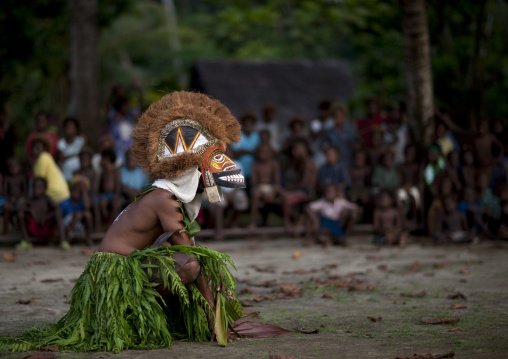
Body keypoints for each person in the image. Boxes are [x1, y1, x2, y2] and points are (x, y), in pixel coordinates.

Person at [2, 91, 247, 352]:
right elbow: (190, 255)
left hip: (123, 267)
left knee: (184, 260)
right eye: (204, 175)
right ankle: (136, 316)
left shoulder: (162, 194)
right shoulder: (165, 200)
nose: (206, 184)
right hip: (113, 276)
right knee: (188, 265)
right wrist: (213, 313)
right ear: (190, 173)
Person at [17, 177, 66, 249]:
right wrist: (29, 210)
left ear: (44, 189)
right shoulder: (30, 199)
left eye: (39, 187)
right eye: (35, 187)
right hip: (34, 228)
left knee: (57, 212)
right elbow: (18, 207)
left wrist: (46, 217)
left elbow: (58, 209)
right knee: (21, 213)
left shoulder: (47, 198)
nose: (36, 190)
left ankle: (63, 241)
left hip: (46, 227)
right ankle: (26, 241)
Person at [282, 139, 317, 233]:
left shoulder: (307, 163)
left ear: (304, 150)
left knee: (285, 198)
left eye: (296, 149)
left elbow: (304, 184)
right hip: (302, 191)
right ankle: (299, 218)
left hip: (307, 192)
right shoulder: (300, 163)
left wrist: (287, 189)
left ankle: (288, 222)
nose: (294, 152)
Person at [249, 143, 283, 229]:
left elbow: (277, 181)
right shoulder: (255, 165)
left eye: (265, 152)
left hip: (271, 187)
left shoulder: (274, 164)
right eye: (261, 152)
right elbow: (254, 182)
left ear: (270, 153)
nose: (262, 154)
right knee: (256, 195)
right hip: (259, 188)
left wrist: (273, 191)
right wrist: (263, 193)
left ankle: (287, 222)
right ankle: (253, 223)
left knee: (284, 194)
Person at [32, 135, 70, 204]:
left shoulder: (43, 156)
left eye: (38, 146)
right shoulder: (43, 159)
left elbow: (39, 182)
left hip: (56, 196)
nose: (35, 149)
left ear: (44, 148)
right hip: (62, 196)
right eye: (34, 146)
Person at [60, 175, 93, 247]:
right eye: (74, 189)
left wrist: (84, 191)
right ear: (71, 190)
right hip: (66, 225)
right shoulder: (64, 202)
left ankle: (88, 239)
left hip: (78, 227)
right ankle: (67, 236)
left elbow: (87, 207)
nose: (76, 192)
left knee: (87, 214)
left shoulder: (82, 202)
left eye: (79, 191)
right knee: (78, 214)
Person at [230, 113, 260, 188]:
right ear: (242, 125)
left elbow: (260, 152)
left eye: (250, 123)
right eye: (246, 123)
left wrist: (243, 151)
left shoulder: (257, 136)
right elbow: (234, 153)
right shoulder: (238, 137)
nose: (248, 125)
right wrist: (252, 152)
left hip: (254, 171)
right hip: (241, 169)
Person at [97, 148, 122, 228]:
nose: (100, 161)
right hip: (105, 195)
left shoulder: (115, 171)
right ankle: (107, 223)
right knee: (102, 204)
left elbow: (118, 185)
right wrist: (100, 195)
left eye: (102, 158)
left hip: (113, 194)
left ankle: (112, 225)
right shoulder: (103, 172)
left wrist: (116, 195)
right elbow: (101, 186)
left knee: (116, 204)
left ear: (107, 159)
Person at [2, 157, 27, 234]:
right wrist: (10, 198)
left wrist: (17, 197)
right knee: (6, 207)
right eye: (11, 167)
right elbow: (4, 191)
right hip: (10, 199)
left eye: (15, 166)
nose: (13, 168)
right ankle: (5, 231)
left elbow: (25, 191)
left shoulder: (22, 177)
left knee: (21, 207)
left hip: (20, 199)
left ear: (20, 167)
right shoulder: (7, 178)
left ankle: (20, 229)